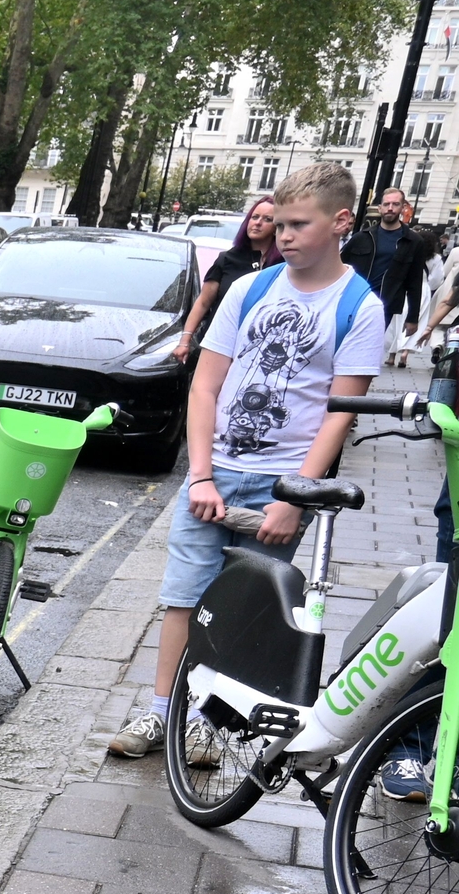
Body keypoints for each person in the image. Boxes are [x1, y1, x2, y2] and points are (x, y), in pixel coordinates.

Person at [111, 162, 383, 761]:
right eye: (277, 224)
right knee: (184, 598)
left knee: (246, 610)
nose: (282, 235)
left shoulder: (360, 306)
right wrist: (201, 473)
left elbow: (342, 410)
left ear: (341, 222)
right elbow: (205, 386)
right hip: (217, 473)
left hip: (283, 483)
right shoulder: (249, 289)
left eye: (297, 224)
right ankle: (161, 713)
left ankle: (207, 722)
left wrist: (295, 496)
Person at [173, 197, 275, 360]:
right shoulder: (227, 259)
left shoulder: (283, 265)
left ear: (278, 227)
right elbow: (203, 302)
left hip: (257, 351)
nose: (257, 223)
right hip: (218, 345)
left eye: (267, 219)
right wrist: (185, 341)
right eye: (254, 217)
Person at [341, 186, 429, 368]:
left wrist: (413, 317)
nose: (390, 208)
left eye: (395, 204)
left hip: (385, 305)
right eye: (386, 204)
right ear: (380, 207)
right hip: (355, 300)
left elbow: (414, 281)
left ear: (403, 208)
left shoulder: (413, 242)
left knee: (367, 349)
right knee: (343, 342)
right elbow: (339, 266)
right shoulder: (362, 237)